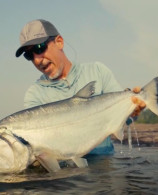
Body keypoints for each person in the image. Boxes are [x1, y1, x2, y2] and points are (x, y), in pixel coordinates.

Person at [15, 19, 145, 155]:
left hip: (105, 167)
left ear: (59, 42)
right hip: (65, 171)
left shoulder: (98, 71)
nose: (37, 60)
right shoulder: (35, 94)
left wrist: (133, 109)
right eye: (29, 55)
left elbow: (126, 119)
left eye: (39, 48)